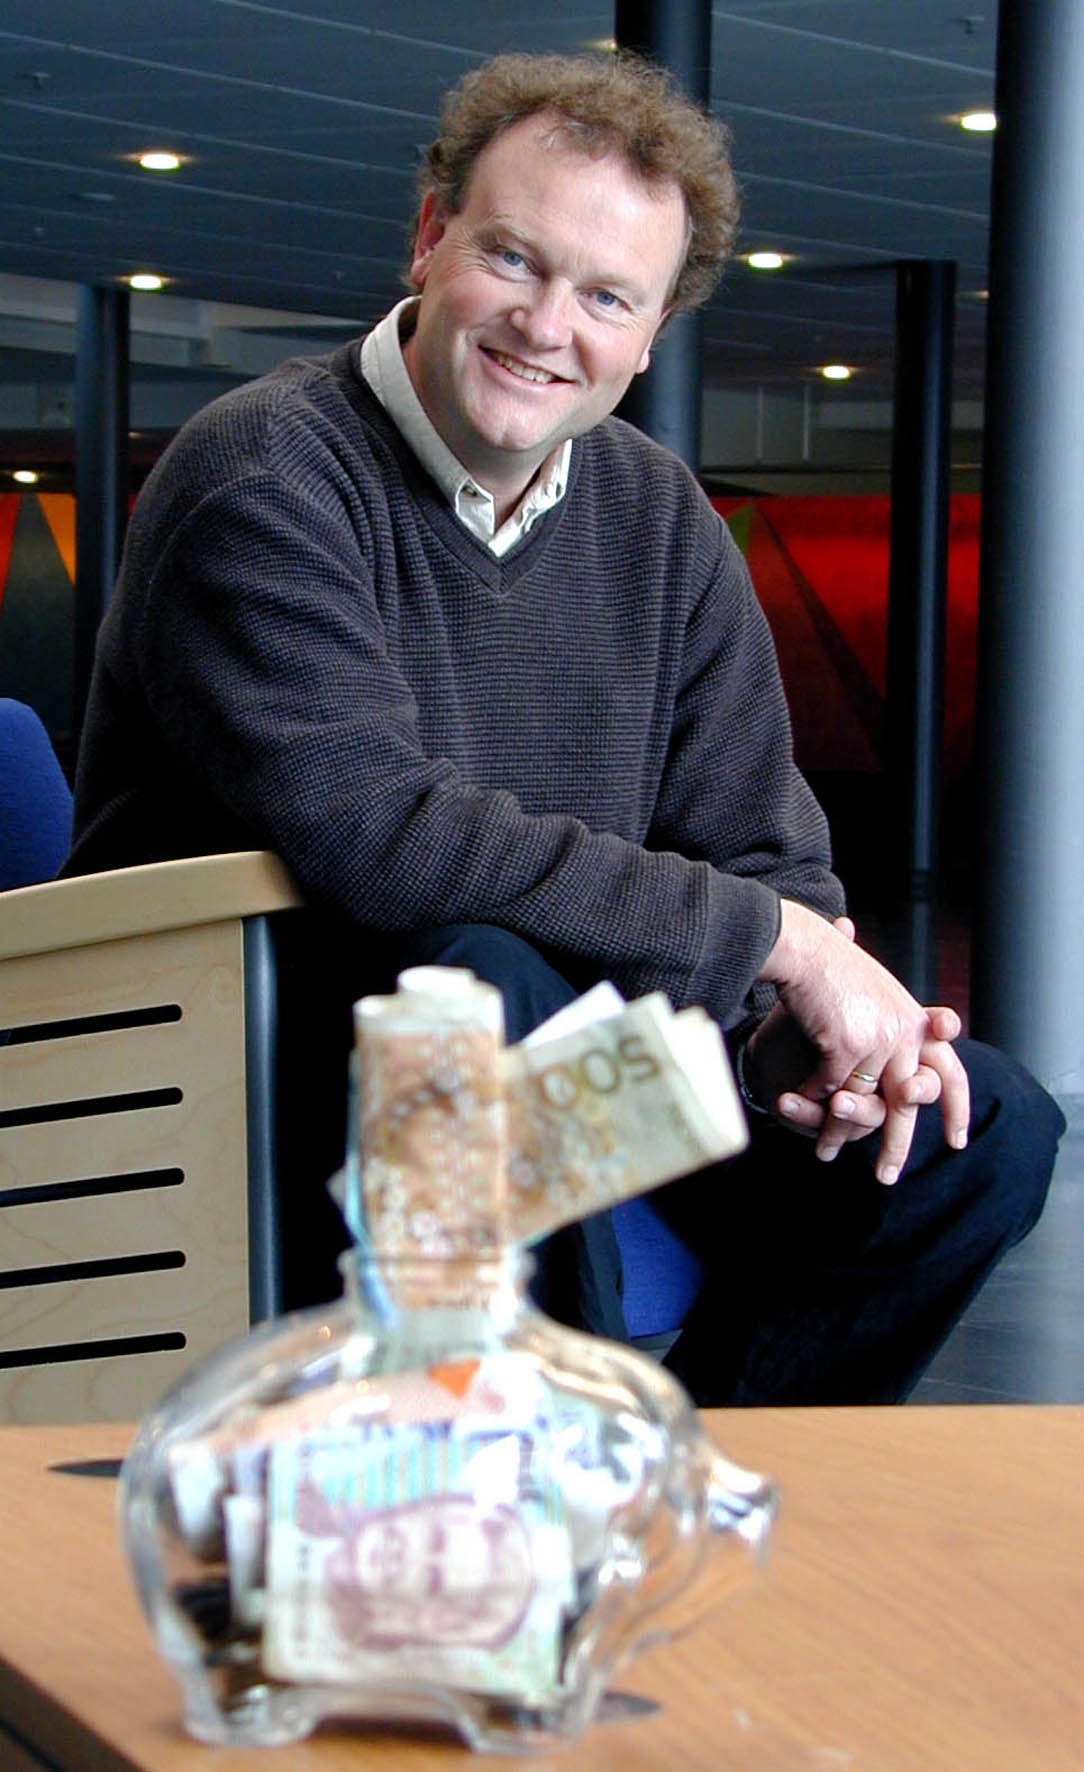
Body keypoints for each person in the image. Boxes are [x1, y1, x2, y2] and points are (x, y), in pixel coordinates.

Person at [67, 52, 1064, 1403]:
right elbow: (382, 840)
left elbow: (763, 851)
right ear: (431, 236)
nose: (547, 326)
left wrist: (796, 1050)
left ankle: (687, 1465)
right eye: (513, 259)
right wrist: (781, 942)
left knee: (977, 1130)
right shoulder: (267, 473)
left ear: (651, 335)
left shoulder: (658, 518)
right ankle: (553, 1475)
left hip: (582, 1082)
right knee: (479, 983)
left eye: (606, 296)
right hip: (247, 1075)